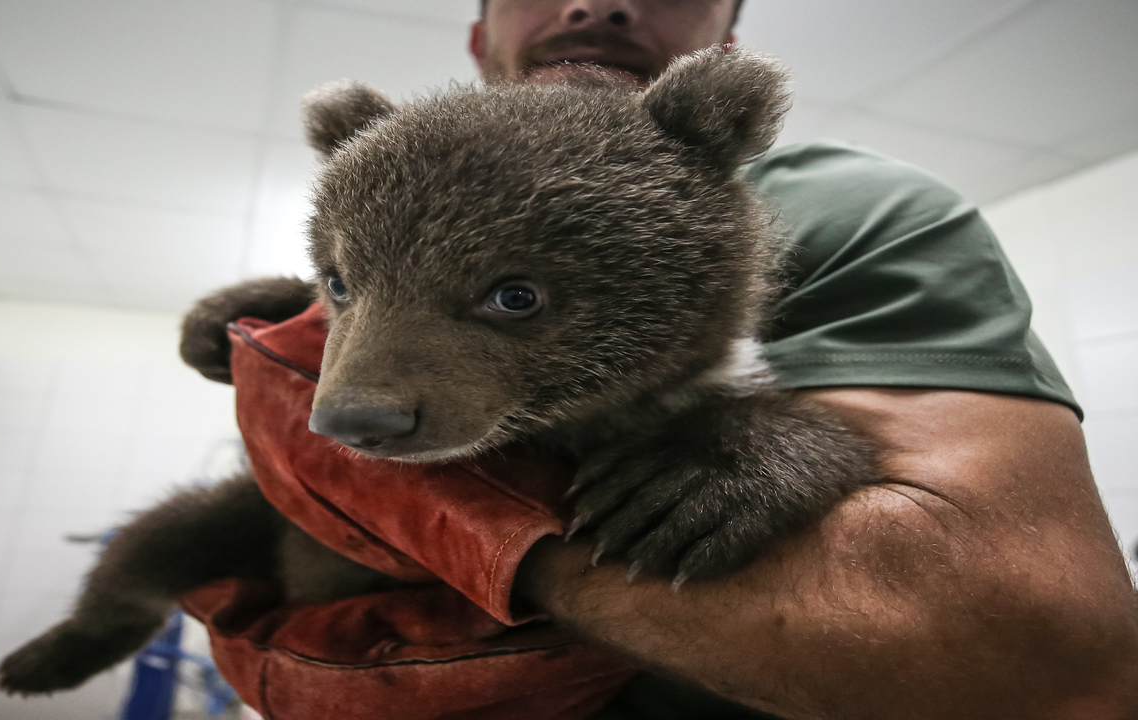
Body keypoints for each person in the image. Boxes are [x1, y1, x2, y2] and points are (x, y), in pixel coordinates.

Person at [467, 1, 1138, 718]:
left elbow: (1053, 671)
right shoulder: (384, 218)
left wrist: (486, 537)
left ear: (722, 53)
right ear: (479, 39)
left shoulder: (845, 208)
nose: (600, 4)